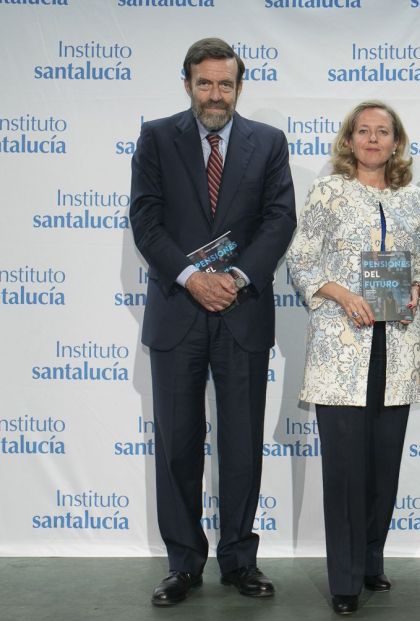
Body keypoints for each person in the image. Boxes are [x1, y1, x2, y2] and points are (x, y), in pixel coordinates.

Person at [129, 37, 295, 606]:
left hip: (241, 312)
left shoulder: (268, 143)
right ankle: (183, 563)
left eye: (226, 84)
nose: (216, 94)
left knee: (242, 443)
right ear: (187, 84)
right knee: (177, 443)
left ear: (238, 87)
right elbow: (145, 221)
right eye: (205, 83)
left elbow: (279, 220)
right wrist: (191, 278)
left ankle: (240, 561)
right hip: (178, 312)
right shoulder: (156, 138)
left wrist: (238, 278)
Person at [287, 101, 420, 615]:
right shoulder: (328, 191)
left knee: (383, 468)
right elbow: (301, 261)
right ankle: (345, 580)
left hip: (395, 347)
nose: (373, 139)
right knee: (346, 471)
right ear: (348, 140)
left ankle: (372, 560)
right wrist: (342, 294)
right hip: (341, 347)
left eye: (383, 131)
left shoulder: (413, 198)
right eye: (363, 131)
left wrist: (418, 285)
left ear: (396, 142)